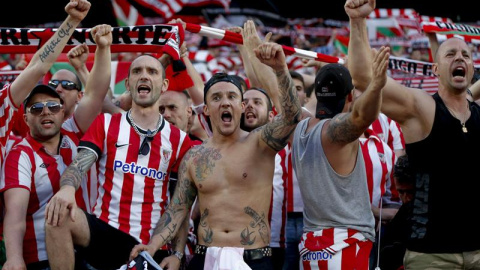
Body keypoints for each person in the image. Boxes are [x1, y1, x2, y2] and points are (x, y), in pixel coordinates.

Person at [128, 39, 302, 270]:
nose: (225, 103)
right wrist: (153, 245)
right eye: (217, 98)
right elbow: (178, 208)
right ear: (207, 109)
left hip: (254, 258)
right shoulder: (194, 156)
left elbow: (292, 117)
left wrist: (280, 70)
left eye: (232, 97)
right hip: (205, 258)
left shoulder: (261, 143)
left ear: (241, 106)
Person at [346, 0, 480, 268]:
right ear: (435, 69)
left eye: (465, 55)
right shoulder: (422, 108)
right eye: (450, 54)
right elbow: (362, 77)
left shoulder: (477, 113)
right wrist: (357, 21)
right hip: (432, 256)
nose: (459, 58)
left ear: (472, 70)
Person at [44, 52, 194, 270]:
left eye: (152, 72)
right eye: (137, 71)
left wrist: (178, 253)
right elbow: (78, 165)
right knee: (57, 215)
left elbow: (180, 204)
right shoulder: (106, 123)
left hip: (151, 243)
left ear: (163, 85)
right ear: (128, 83)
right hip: (106, 233)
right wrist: (66, 189)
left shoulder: (180, 141)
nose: (144, 76)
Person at [0, 23, 113, 270]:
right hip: (42, 260)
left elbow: (95, 93)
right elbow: (15, 216)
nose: (46, 113)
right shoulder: (19, 154)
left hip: (87, 250)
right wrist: (14, 258)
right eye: (37, 109)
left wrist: (103, 48)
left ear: (63, 112)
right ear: (26, 117)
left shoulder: (75, 131)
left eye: (53, 106)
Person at [292, 45, 390, 269]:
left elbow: (286, 102)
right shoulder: (335, 132)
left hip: (310, 248)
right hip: (345, 246)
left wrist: (279, 69)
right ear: (350, 96)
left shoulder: (300, 128)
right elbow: (362, 117)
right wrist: (376, 85)